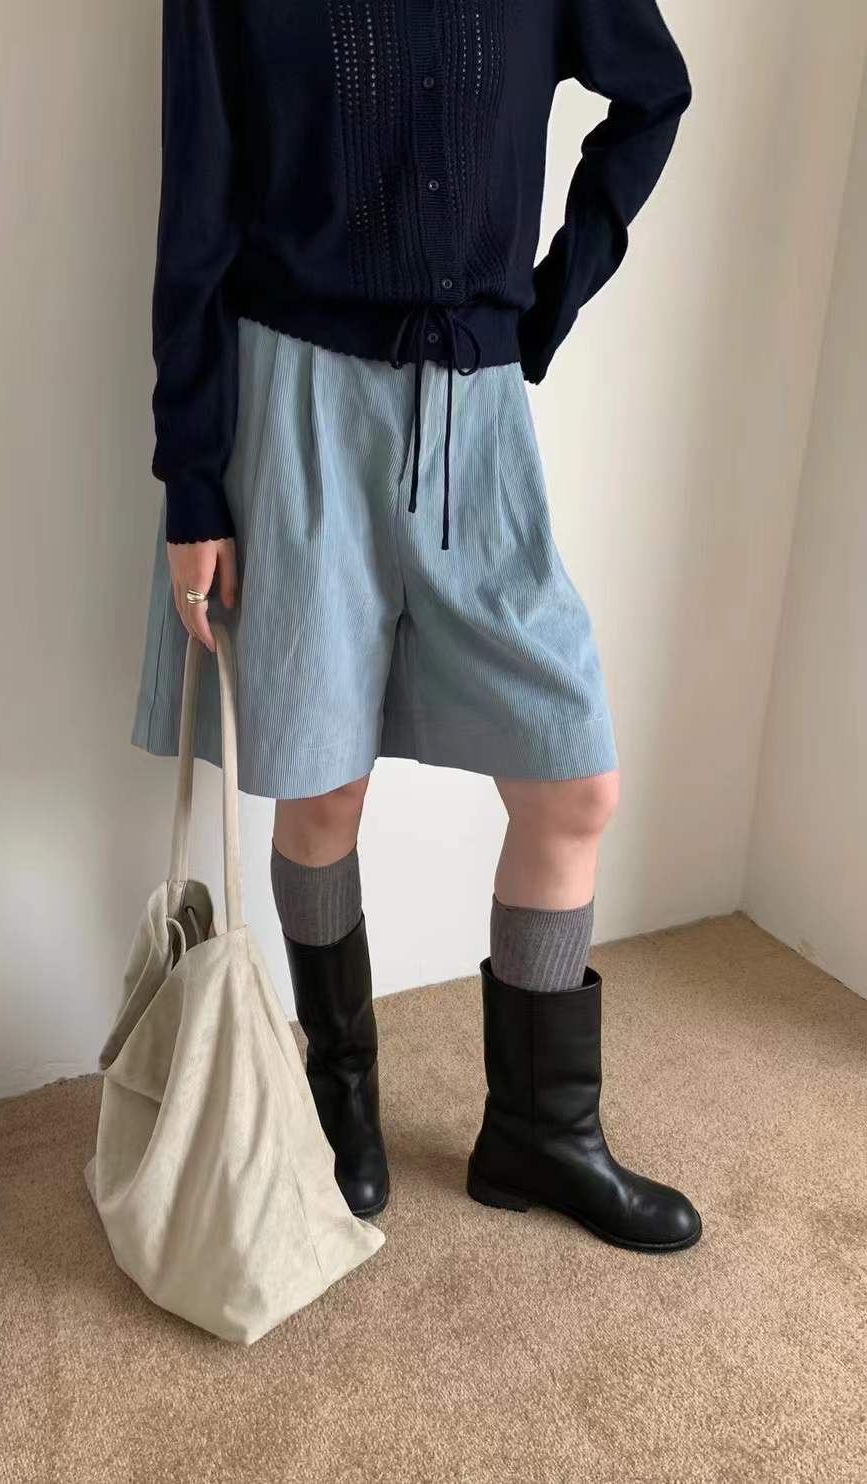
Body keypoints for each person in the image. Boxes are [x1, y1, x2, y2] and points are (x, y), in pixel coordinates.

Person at [133, 0, 701, 1251]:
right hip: (293, 401)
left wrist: (546, 304)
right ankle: (342, 1099)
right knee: (323, 789)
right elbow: (198, 203)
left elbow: (652, 92)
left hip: (477, 419)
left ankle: (540, 1130)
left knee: (573, 783)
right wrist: (193, 479)